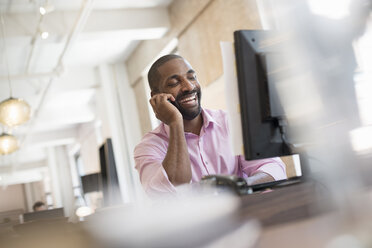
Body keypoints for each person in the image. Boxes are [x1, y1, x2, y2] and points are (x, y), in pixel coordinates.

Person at [134, 54, 286, 196]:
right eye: (174, 83)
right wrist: (175, 123)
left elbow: (272, 167)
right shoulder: (149, 147)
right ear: (156, 96)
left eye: (192, 77)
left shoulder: (232, 122)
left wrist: (239, 186)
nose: (189, 87)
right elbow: (171, 189)